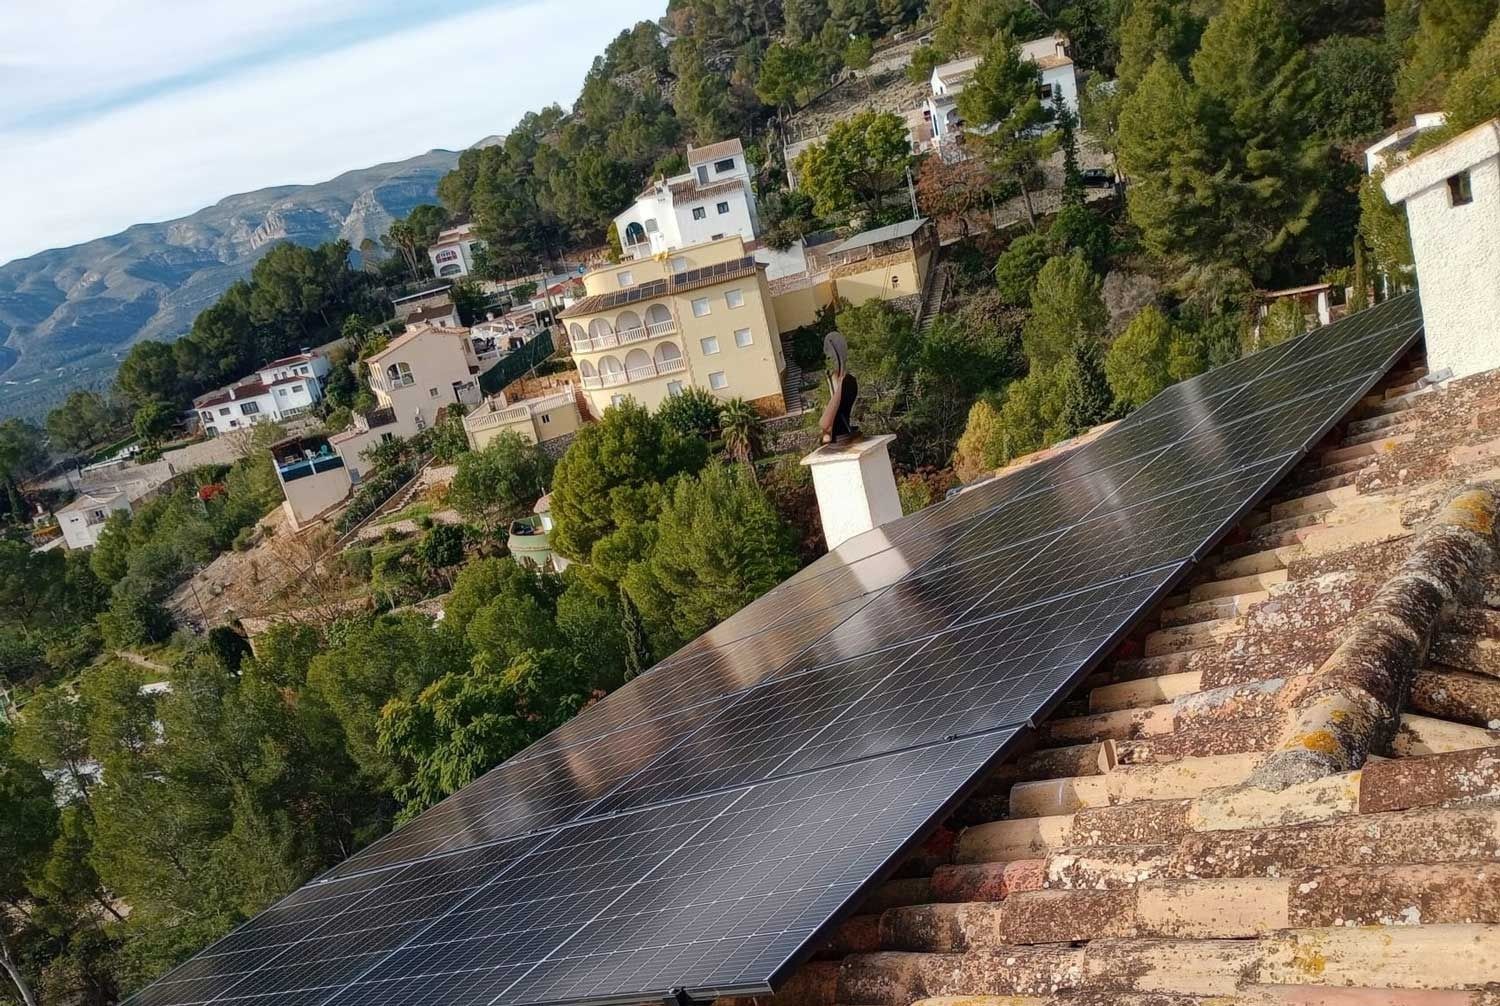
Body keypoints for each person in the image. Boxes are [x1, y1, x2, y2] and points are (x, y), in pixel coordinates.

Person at [819, 331, 859, 445]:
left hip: (839, 437)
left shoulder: (844, 381)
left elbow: (825, 423)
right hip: (842, 432)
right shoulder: (846, 380)